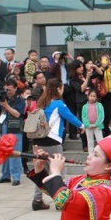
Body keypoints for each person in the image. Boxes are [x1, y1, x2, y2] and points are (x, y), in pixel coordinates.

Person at [32, 78, 85, 211]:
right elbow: (70, 117)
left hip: (38, 141)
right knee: (57, 169)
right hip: (52, 140)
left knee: (40, 170)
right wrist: (82, 126)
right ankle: (60, 199)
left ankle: (37, 199)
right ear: (58, 89)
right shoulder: (58, 104)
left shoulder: (42, 103)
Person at [0, 78, 26, 186]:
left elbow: (17, 114)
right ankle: (5, 175)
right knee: (2, 151)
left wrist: (6, 105)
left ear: (15, 88)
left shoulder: (20, 100)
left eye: (10, 90)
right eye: (6, 89)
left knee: (14, 153)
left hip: (14, 129)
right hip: (3, 127)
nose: (8, 92)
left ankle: (16, 177)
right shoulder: (2, 98)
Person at [81, 89, 104, 154]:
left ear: (96, 97)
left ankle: (101, 155)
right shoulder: (84, 107)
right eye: (91, 96)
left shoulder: (99, 105)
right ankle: (90, 155)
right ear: (88, 96)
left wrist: (96, 124)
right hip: (88, 127)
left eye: (94, 96)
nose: (92, 98)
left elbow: (101, 116)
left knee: (100, 141)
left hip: (97, 126)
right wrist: (88, 125)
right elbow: (84, 117)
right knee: (90, 142)